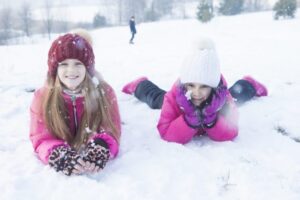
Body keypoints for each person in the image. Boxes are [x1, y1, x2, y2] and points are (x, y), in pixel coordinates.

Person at [122, 38, 268, 144]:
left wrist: (211, 120)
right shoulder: (174, 95)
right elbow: (165, 132)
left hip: (216, 100)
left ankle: (249, 84)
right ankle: (140, 84)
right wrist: (189, 119)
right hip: (180, 101)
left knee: (236, 95)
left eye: (204, 86)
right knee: (157, 99)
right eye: (191, 85)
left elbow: (232, 130)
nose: (196, 92)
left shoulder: (221, 96)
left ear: (214, 86)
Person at [29, 29, 121, 176]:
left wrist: (102, 145)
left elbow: (111, 128)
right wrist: (56, 153)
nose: (71, 70)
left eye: (78, 63)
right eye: (64, 64)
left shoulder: (105, 92)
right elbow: (40, 138)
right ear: (55, 69)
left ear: (87, 67)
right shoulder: (42, 97)